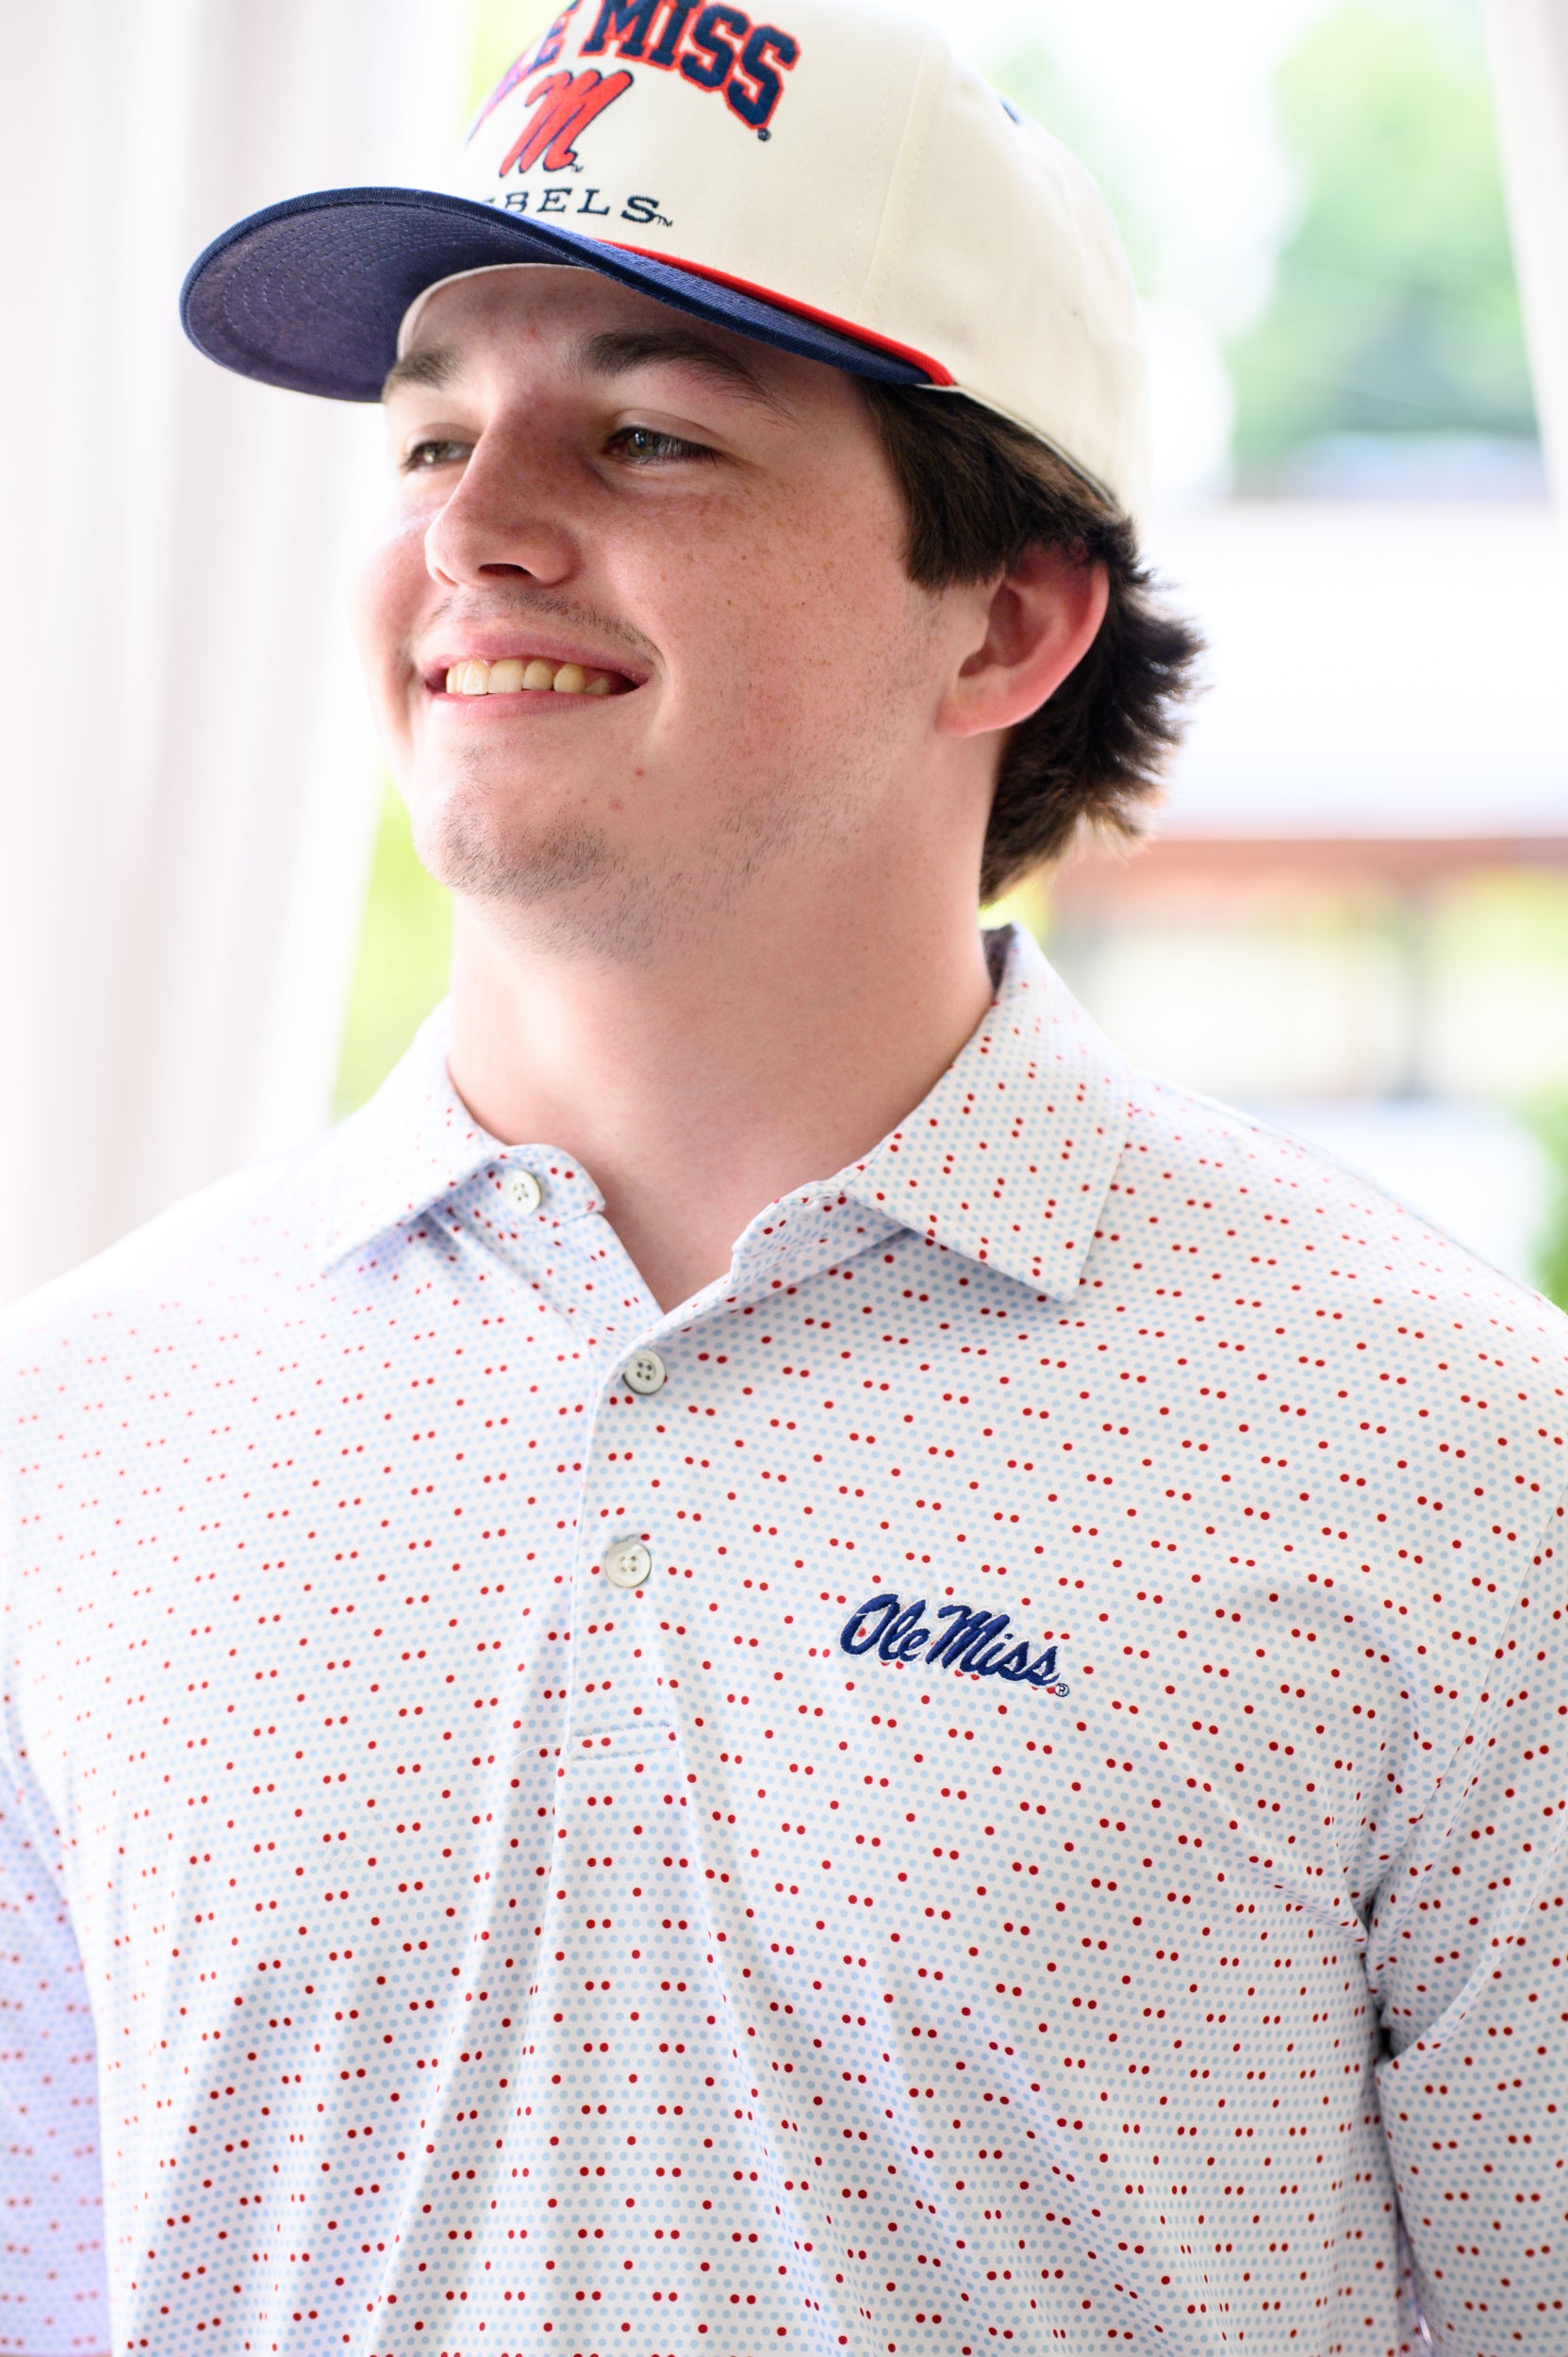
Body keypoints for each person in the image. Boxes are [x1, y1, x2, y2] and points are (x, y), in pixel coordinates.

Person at [2, 2, 1564, 2350]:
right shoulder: (78, 1434)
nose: (474, 530)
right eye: (428, 435)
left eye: (644, 434)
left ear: (1009, 617)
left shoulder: (1456, 1457)